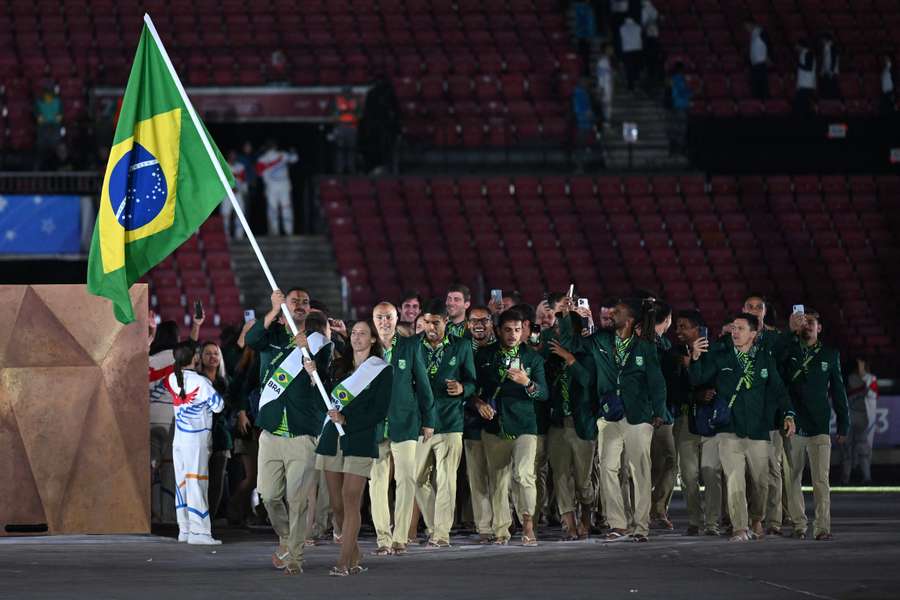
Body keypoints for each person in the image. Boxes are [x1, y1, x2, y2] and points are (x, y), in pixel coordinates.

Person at [559, 298, 667, 542]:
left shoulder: (644, 347)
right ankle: (618, 524)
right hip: (609, 415)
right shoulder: (600, 341)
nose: (610, 315)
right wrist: (565, 316)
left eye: (616, 312)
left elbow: (657, 382)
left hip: (639, 416)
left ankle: (641, 526)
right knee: (608, 467)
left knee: (639, 470)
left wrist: (658, 411)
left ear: (628, 320)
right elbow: (571, 343)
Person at [690, 313, 796, 542]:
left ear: (753, 334)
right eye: (733, 328)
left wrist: (789, 414)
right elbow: (698, 380)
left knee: (760, 482)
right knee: (734, 478)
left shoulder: (765, 359)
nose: (735, 332)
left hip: (758, 430)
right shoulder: (722, 356)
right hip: (729, 429)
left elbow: (779, 390)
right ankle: (739, 527)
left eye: (740, 328)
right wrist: (697, 357)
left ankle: (756, 518)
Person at [245, 288, 329, 574]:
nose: (301, 305)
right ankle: (285, 537)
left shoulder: (319, 344)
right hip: (270, 431)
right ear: (284, 309)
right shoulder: (272, 337)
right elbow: (251, 339)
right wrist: (271, 311)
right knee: (268, 495)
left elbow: (326, 389)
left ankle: (295, 556)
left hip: (302, 433)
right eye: (295, 301)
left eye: (306, 301)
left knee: (297, 499)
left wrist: (313, 372)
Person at [314, 320, 393, 577]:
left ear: (372, 339)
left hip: (359, 439)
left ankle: (343, 562)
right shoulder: (339, 367)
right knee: (336, 506)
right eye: (355, 333)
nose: (357, 337)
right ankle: (354, 553)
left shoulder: (381, 370)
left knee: (350, 501)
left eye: (363, 334)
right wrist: (313, 374)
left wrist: (348, 420)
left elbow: (379, 410)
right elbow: (324, 399)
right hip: (331, 438)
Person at [472, 309, 548, 546]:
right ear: (497, 331)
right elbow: (471, 387)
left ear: (523, 330)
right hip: (494, 425)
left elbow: (544, 393)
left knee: (525, 475)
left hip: (525, 425)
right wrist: (478, 403)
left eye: (517, 329)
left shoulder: (533, 358)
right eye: (507, 330)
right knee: (498, 480)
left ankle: (528, 524)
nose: (513, 335)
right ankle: (501, 530)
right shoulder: (484, 355)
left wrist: (528, 383)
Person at [369, 302, 436, 555]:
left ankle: (400, 537)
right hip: (374, 427)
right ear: (373, 320)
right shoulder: (369, 350)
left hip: (405, 423)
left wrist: (429, 419)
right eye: (379, 317)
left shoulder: (410, 347)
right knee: (376, 483)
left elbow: (423, 384)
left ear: (397, 319)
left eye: (388, 317)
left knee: (406, 479)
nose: (384, 321)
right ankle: (383, 539)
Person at [781, 309, 849, 540]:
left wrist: (843, 424)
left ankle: (822, 528)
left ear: (819, 328)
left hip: (820, 425)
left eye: (812, 323)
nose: (808, 326)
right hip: (794, 424)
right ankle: (799, 525)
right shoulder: (789, 350)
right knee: (792, 478)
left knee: (821, 480)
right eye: (804, 322)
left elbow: (839, 392)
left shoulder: (830, 354)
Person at [414, 299, 476, 547]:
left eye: (436, 322)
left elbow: (472, 381)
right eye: (426, 322)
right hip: (419, 424)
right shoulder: (412, 346)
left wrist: (463, 388)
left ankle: (441, 534)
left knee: (447, 480)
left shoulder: (461, 346)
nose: (430, 327)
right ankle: (433, 526)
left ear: (446, 322)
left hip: (450, 422)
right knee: (417, 479)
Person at [543, 303, 598, 539]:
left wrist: (570, 358)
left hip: (582, 424)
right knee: (561, 474)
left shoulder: (589, 351)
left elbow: (587, 381)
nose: (557, 333)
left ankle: (587, 510)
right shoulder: (549, 355)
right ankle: (569, 523)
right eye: (556, 329)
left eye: (562, 328)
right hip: (557, 423)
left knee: (584, 480)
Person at [165, 341, 225, 545]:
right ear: (195, 358)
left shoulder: (173, 378)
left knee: (181, 483)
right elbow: (218, 406)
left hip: (179, 441)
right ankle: (199, 533)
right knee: (197, 483)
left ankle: (185, 529)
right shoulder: (201, 382)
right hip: (196, 441)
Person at [670, 310, 722, 536]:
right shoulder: (673, 354)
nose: (678, 331)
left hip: (711, 420)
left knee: (711, 473)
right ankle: (695, 519)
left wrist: (696, 361)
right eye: (677, 326)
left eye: (684, 326)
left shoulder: (716, 352)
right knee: (689, 475)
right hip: (685, 419)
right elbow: (673, 389)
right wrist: (694, 396)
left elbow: (711, 380)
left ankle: (712, 522)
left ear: (699, 330)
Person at [462, 305, 498, 542]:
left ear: (491, 323)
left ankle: (503, 522)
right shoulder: (462, 349)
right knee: (477, 477)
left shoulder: (502, 349)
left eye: (484, 320)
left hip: (499, 422)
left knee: (500, 476)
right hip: (472, 421)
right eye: (474, 321)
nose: (479, 325)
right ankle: (484, 526)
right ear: (467, 325)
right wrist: (475, 402)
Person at [649, 302, 677, 530]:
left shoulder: (665, 343)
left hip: (663, 412)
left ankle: (656, 509)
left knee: (664, 462)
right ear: (667, 319)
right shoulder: (647, 343)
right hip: (652, 413)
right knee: (663, 462)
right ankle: (648, 509)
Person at [198, 341, 232, 529]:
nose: (212, 357)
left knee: (216, 481)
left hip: (220, 436)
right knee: (200, 479)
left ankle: (209, 519)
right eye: (208, 353)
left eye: (215, 354)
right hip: (198, 437)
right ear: (201, 358)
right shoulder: (195, 379)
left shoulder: (226, 381)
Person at [149, 321, 180, 525]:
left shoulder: (150, 359)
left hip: (149, 418)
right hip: (172, 420)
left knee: (150, 469)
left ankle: (152, 513)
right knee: (170, 469)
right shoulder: (178, 358)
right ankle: (169, 516)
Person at [842, 357, 878, 485]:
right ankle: (845, 478)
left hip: (863, 419)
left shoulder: (871, 379)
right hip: (850, 417)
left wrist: (862, 370)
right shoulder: (852, 378)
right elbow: (856, 381)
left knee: (863, 449)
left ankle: (867, 477)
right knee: (847, 449)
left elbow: (868, 384)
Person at [255, 140, 299, 236]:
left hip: (276, 187)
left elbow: (259, 173)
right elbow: (295, 158)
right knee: (284, 208)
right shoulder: (281, 155)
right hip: (279, 186)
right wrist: (293, 151)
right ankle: (286, 231)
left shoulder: (263, 159)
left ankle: (277, 231)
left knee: (275, 209)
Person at [332, 86, 361, 174]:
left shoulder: (355, 100)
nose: (347, 94)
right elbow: (334, 114)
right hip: (341, 126)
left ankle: (351, 169)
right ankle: (339, 170)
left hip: (352, 127)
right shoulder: (338, 100)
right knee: (340, 149)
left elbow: (359, 113)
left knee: (351, 149)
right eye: (346, 92)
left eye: (349, 92)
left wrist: (354, 117)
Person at [34, 83, 62, 168]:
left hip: (55, 127)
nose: (48, 92)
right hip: (43, 128)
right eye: (46, 90)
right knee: (43, 149)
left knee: (55, 148)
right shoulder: (39, 102)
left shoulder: (58, 101)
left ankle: (56, 165)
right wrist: (44, 122)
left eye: (49, 90)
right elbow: (37, 115)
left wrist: (55, 122)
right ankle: (41, 167)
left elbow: (60, 115)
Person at [668, 62, 692, 155]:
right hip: (679, 106)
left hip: (678, 106)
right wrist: (691, 92)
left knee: (677, 127)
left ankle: (676, 147)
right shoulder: (678, 79)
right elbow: (682, 91)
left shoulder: (673, 79)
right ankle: (678, 148)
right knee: (680, 128)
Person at [225, 149, 247, 239]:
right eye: (231, 155)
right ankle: (226, 236)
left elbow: (243, 180)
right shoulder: (224, 166)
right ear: (228, 156)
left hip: (238, 194)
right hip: (226, 195)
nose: (233, 157)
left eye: (234, 155)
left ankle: (239, 235)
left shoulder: (240, 167)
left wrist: (244, 190)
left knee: (240, 214)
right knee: (226, 215)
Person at [620, 17, 644, 92]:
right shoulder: (638, 27)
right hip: (637, 49)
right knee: (636, 67)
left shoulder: (622, 28)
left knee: (629, 68)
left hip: (627, 50)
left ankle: (631, 85)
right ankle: (636, 82)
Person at [747, 21, 769, 100]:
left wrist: (767, 56)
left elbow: (767, 44)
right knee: (756, 84)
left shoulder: (760, 32)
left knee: (761, 84)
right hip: (755, 64)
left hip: (761, 63)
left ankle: (764, 101)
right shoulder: (753, 34)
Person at [794, 39, 817, 117]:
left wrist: (798, 64)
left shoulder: (808, 53)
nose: (795, 47)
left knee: (802, 106)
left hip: (807, 84)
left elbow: (808, 67)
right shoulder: (803, 54)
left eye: (796, 45)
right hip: (804, 84)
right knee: (804, 106)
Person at [596, 44, 615, 128]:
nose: (611, 50)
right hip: (605, 86)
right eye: (609, 49)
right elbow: (600, 76)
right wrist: (601, 88)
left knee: (608, 105)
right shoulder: (602, 61)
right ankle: (605, 123)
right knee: (606, 105)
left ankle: (607, 122)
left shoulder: (608, 60)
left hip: (609, 85)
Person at [641, 0, 661, 82]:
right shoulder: (654, 9)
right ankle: (653, 74)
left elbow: (643, 23)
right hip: (654, 36)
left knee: (649, 57)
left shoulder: (644, 10)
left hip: (649, 36)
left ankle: (651, 74)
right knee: (654, 56)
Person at [818, 33, 840, 99]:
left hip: (832, 71)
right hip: (827, 71)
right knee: (826, 88)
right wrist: (822, 70)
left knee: (832, 88)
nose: (821, 41)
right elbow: (824, 60)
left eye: (823, 39)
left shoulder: (833, 47)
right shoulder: (825, 47)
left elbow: (834, 60)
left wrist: (831, 71)